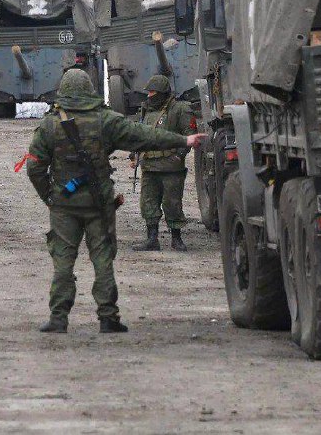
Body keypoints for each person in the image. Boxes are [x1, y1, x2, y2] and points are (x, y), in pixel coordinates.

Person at [26, 69, 206, 334]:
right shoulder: (106, 120)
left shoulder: (49, 125)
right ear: (89, 89)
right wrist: (183, 139)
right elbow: (144, 135)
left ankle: (58, 318)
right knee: (102, 259)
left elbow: (35, 168)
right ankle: (108, 317)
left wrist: (50, 198)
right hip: (99, 203)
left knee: (63, 260)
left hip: (64, 204)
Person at [131, 75, 196, 252]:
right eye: (149, 92)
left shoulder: (179, 109)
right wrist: (134, 153)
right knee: (148, 203)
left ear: (162, 93)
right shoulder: (146, 110)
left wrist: (179, 155)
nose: (149, 95)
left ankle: (176, 238)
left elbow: (189, 135)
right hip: (149, 166)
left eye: (153, 92)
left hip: (171, 167)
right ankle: (152, 239)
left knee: (172, 203)